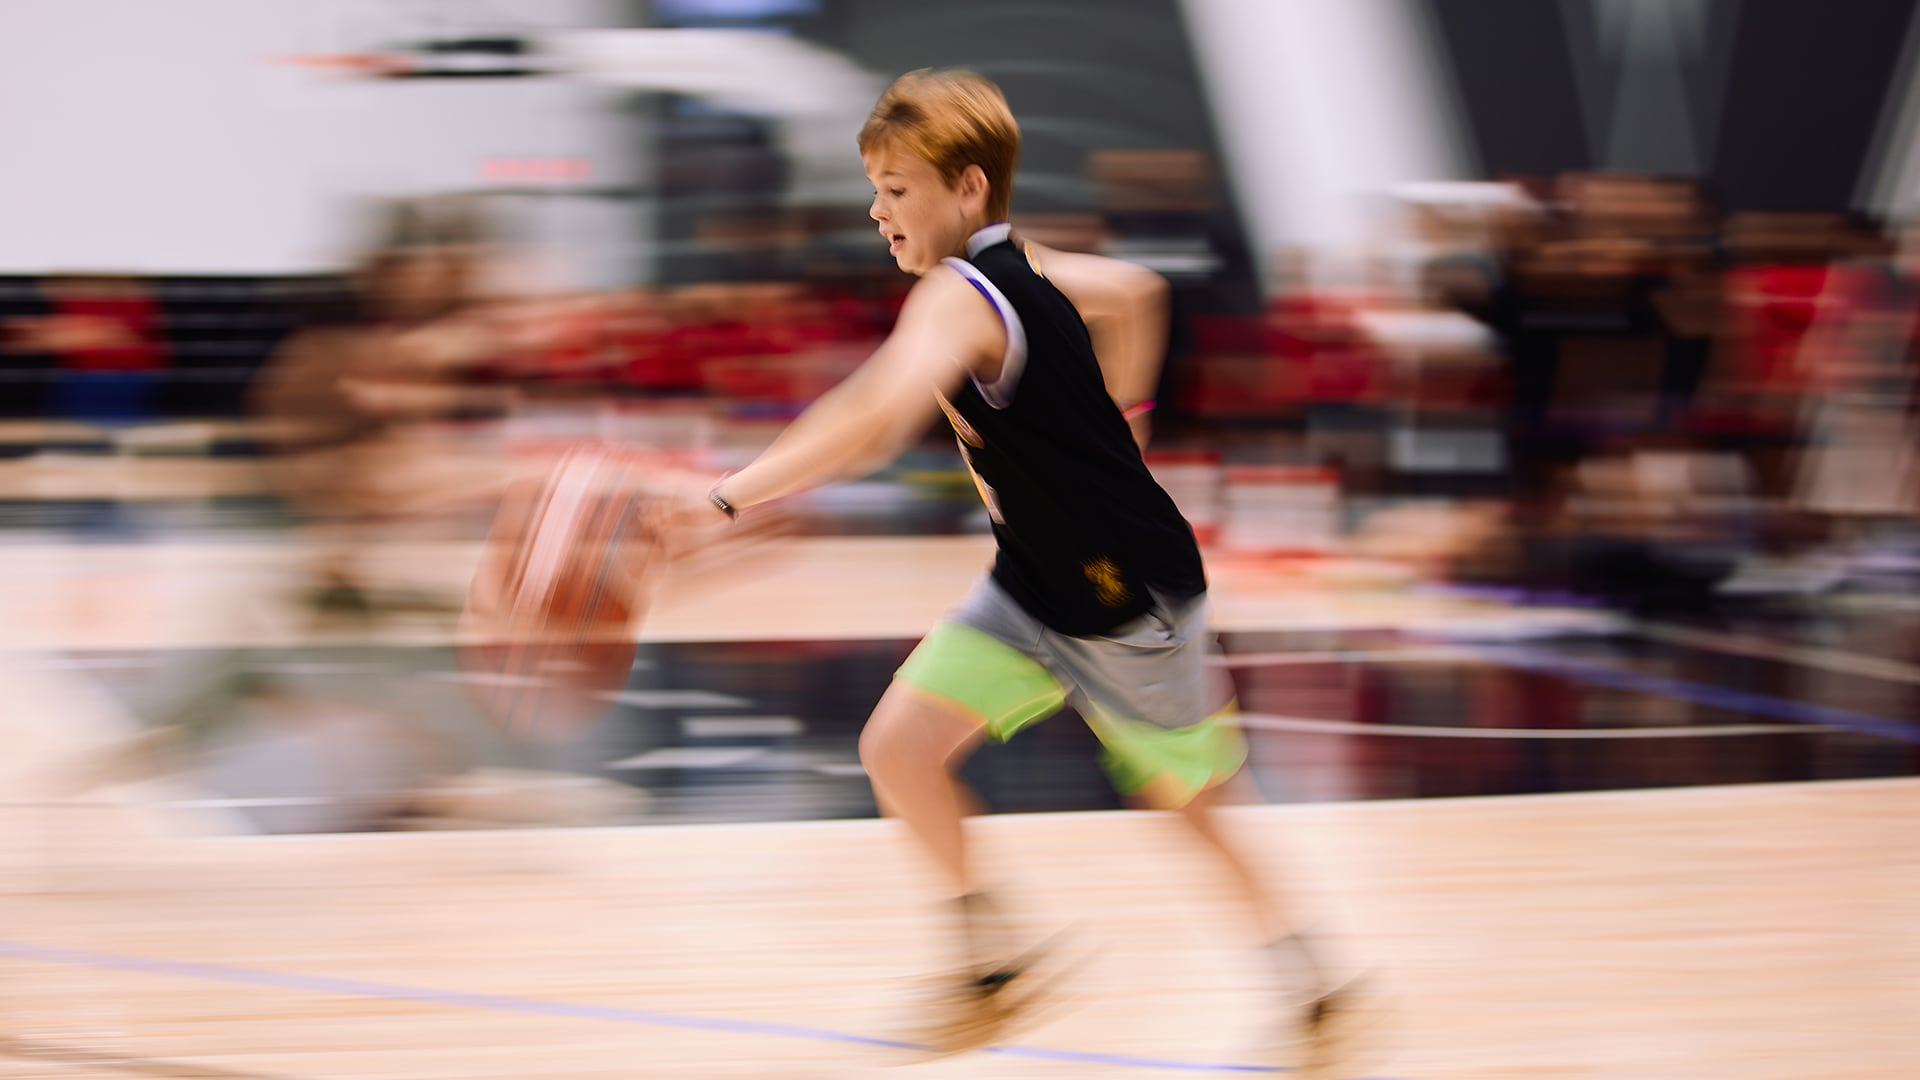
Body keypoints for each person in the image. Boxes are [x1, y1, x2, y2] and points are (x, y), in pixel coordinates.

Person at [681, 69, 1350, 1060]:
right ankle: (991, 966)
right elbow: (1138, 294)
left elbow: (872, 418)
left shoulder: (959, 294)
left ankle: (1313, 980)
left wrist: (728, 495)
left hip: (1129, 600)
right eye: (874, 186)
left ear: (967, 190)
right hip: (1034, 583)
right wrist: (1122, 431)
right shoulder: (1021, 264)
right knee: (898, 750)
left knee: (1193, 805)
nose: (877, 210)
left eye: (896, 187)